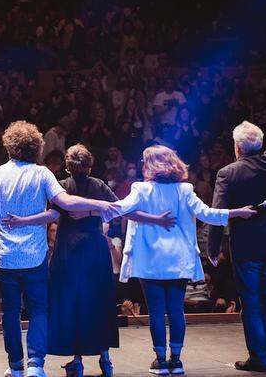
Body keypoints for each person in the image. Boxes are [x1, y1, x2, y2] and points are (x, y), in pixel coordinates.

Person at [0, 121, 166, 377]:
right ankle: (48, 363)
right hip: (58, 254)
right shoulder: (52, 177)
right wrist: (99, 206)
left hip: (32, 254)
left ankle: (23, 366)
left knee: (27, 310)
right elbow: (85, 205)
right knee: (61, 306)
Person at [106, 145, 257, 374]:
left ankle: (160, 360)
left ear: (150, 165)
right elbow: (208, 214)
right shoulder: (185, 190)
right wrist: (237, 212)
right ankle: (176, 360)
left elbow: (119, 209)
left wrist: (89, 206)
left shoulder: (141, 189)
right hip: (178, 260)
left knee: (156, 311)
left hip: (151, 262)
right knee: (176, 310)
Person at [208, 98, 266, 372]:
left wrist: (212, 248)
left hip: (246, 249)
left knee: (252, 302)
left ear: (237, 148)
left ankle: (259, 358)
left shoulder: (227, 174)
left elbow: (217, 214)